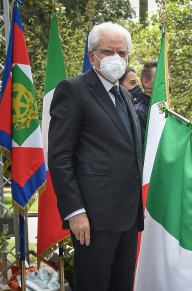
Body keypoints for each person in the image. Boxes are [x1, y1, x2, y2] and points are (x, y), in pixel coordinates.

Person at [48, 22, 144, 291]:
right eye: (107, 51)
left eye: (122, 53)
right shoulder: (73, 90)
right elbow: (60, 157)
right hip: (92, 219)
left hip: (127, 216)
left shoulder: (125, 95)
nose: (116, 58)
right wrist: (75, 211)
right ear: (92, 55)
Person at [135, 60, 157, 138]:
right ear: (146, 82)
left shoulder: (163, 108)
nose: (166, 82)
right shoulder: (139, 112)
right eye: (161, 79)